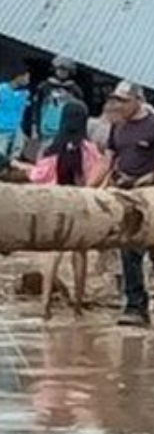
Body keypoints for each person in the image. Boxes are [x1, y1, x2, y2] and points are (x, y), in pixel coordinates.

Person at [20, 99, 106, 319]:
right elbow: (99, 173)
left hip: (55, 206)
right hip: (80, 206)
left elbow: (37, 177)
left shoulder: (51, 149)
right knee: (80, 255)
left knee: (52, 255)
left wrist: (17, 166)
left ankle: (46, 305)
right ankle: (77, 305)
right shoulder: (90, 150)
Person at [104, 81, 154, 326]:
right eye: (116, 100)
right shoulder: (117, 127)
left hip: (152, 197)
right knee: (129, 252)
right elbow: (107, 162)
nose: (119, 105)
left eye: (123, 101)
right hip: (126, 198)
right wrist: (93, 191)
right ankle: (136, 306)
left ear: (138, 100)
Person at [25, 56, 85, 158]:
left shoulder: (76, 91)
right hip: (44, 129)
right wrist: (34, 126)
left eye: (65, 70)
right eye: (59, 69)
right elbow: (36, 108)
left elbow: (78, 114)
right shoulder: (44, 87)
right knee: (39, 156)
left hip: (62, 131)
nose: (62, 72)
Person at [0, 70, 28, 160]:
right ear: (18, 77)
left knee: (15, 156)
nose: (28, 80)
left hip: (16, 128)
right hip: (2, 128)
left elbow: (22, 112)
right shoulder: (2, 89)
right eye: (26, 77)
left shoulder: (25, 93)